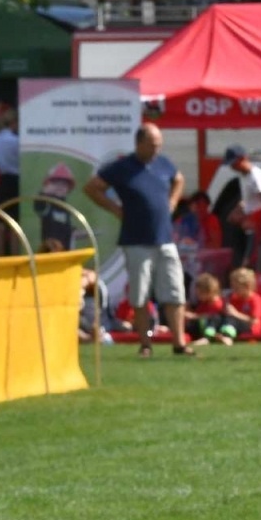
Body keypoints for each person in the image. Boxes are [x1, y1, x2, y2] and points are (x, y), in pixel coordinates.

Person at [83, 122, 191, 357]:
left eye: (159, 145)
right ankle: (145, 344)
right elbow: (92, 188)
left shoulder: (163, 163)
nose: (156, 150)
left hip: (164, 238)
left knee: (174, 292)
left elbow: (179, 179)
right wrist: (114, 208)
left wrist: (172, 202)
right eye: (152, 145)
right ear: (139, 144)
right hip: (136, 240)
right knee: (140, 294)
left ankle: (179, 344)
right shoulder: (123, 167)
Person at [206, 145, 261, 268]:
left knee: (249, 261)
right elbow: (248, 200)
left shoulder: (256, 176)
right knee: (239, 258)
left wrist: (252, 219)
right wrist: (236, 211)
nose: (232, 167)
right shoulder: (243, 176)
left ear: (243, 158)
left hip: (256, 227)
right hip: (246, 225)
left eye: (234, 163)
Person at [0, 100, 20, 254]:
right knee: (14, 222)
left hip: (2, 180)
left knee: (0, 222)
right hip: (15, 180)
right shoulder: (16, 142)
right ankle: (14, 254)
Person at [183, 272, 231, 347]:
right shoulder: (203, 303)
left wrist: (194, 316)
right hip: (203, 326)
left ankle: (210, 337)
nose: (198, 296)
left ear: (209, 292)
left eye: (200, 293)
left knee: (207, 321)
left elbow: (210, 317)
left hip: (214, 327)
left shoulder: (218, 303)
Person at [222, 267, 261, 342]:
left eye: (236, 288)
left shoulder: (255, 300)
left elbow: (254, 321)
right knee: (218, 318)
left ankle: (227, 336)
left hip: (250, 328)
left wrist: (235, 314)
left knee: (232, 320)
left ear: (247, 286)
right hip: (234, 324)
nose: (234, 290)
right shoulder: (234, 298)